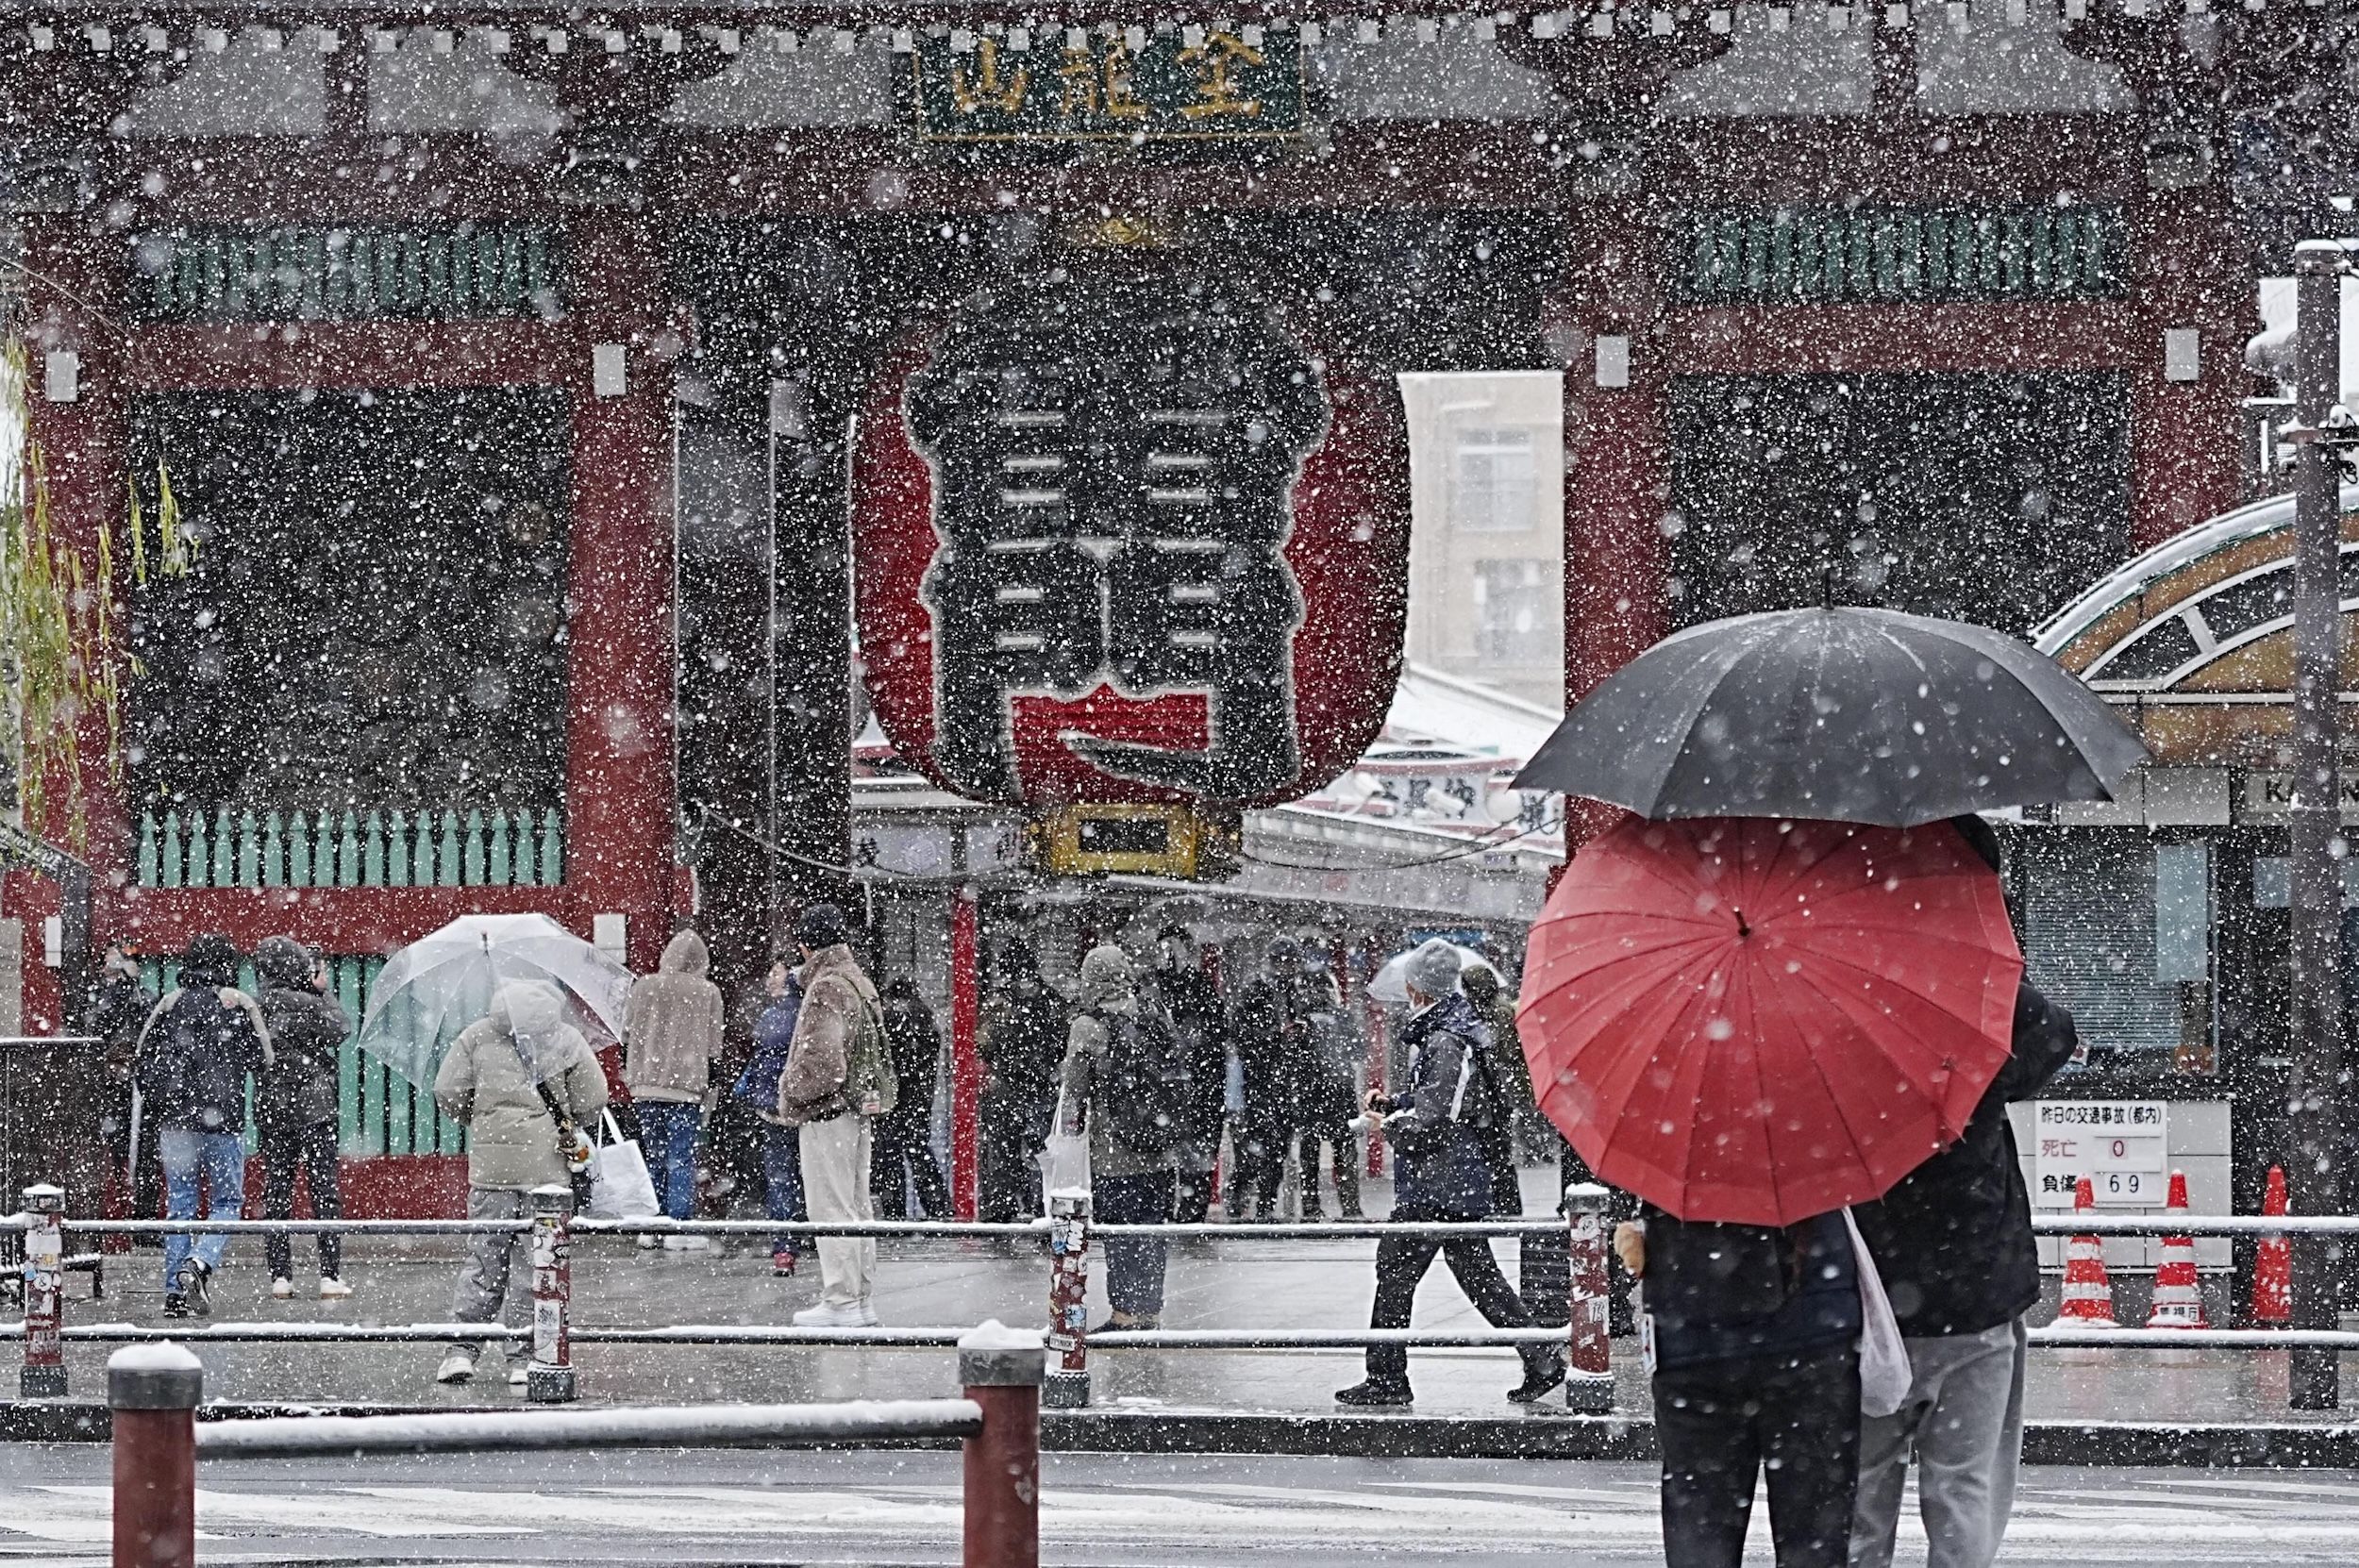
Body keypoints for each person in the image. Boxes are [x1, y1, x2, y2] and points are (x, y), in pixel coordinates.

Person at [1847, 820, 2080, 1568]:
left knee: (1856, 1506)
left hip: (1864, 1297)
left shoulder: (1835, 977)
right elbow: (2049, 1039)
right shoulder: (1974, 987)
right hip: (1975, 1285)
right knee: (1966, 1499)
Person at [1336, 939, 1564, 1408]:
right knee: (1480, 1279)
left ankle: (1386, 1378)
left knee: (1395, 1274)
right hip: (1453, 1180)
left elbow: (1437, 1117)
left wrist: (1390, 1124)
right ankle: (1542, 1358)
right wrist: (1397, 1102)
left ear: (1418, 986)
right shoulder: (1450, 1030)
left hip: (1438, 1183)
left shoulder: (1443, 1038)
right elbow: (1444, 1102)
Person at [1617, 1201, 1862, 1568]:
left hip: (1694, 1337)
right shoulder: (1822, 1157)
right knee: (1813, 1530)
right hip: (1810, 1337)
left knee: (1702, 1523)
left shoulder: (1677, 1160)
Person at [431, 979, 609, 1387]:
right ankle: (523, 1356)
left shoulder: (476, 1035)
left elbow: (447, 1091)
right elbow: (592, 1098)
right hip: (546, 1174)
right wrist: (563, 1121)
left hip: (491, 1170)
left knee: (482, 1260)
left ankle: (461, 1351)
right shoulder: (566, 1037)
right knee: (535, 1265)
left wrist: (481, 1118)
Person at [134, 933, 273, 1317]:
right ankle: (198, 1262)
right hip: (223, 1122)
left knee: (180, 1203)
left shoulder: (169, 1003)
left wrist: (165, 1104)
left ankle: (174, 1294)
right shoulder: (238, 1003)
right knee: (227, 1202)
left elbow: (141, 1062)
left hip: (175, 1124)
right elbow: (263, 1058)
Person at [1056, 942, 1183, 1329]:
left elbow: (1075, 1090)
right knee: (1151, 1231)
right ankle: (1150, 1311)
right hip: (1161, 1149)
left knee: (1120, 1234)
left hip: (1115, 1152)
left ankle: (1125, 1315)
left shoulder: (1088, 1025)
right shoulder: (1156, 1012)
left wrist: (1069, 1132)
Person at [778, 902, 887, 1328]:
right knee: (858, 1202)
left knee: (831, 1205)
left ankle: (840, 1300)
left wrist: (789, 1089)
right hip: (859, 1108)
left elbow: (823, 1062)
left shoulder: (824, 987)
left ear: (806, 946)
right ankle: (860, 1298)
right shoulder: (858, 980)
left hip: (828, 1111)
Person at [253, 936, 353, 1300]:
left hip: (271, 1109)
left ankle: (280, 1276)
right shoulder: (310, 1003)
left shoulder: (256, 1005)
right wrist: (322, 991)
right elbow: (341, 1029)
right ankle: (329, 1275)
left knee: (277, 1191)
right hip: (315, 1108)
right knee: (323, 1190)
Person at [623, 928, 725, 1249]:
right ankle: (678, 1227)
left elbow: (626, 1033)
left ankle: (652, 1223)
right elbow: (714, 1047)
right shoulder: (707, 993)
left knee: (653, 1155)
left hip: (646, 1086)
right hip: (686, 1087)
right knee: (681, 1157)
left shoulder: (643, 986)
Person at [977, 940, 1065, 1226]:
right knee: (1044, 1154)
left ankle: (1000, 1210)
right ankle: (1044, 1207)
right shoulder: (1052, 999)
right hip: (1043, 1089)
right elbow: (1063, 1042)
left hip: (1005, 1087)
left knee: (1001, 1151)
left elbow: (985, 1044)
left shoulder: (998, 1001)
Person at [1226, 937, 1313, 1222]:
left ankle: (1265, 1205)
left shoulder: (1295, 995)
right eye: (1283, 962)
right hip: (1260, 1082)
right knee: (1256, 1148)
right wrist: (1276, 1036)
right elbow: (1240, 1034)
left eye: (1292, 962)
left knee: (1279, 1148)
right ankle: (1239, 1197)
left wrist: (1300, 1037)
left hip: (1287, 1082)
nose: (1288, 968)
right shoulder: (1256, 992)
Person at [1145, 925, 1226, 1225]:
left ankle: (1191, 1213)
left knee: (1196, 1155)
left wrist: (1194, 1041)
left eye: (1173, 948)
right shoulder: (1152, 988)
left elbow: (1216, 1033)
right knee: (1164, 1153)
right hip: (1166, 1087)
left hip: (1199, 1087)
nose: (1168, 956)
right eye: (1163, 949)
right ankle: (1167, 1209)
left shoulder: (1199, 987)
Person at [735, 958, 808, 1277]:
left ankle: (783, 1246)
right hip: (806, 1107)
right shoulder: (809, 1013)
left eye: (775, 973)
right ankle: (811, 1235)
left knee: (781, 1179)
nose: (769, 979)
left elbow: (763, 1059)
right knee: (809, 1176)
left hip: (773, 1109)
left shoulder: (772, 1016)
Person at [1288, 942, 1364, 1222]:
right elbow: (1358, 1051)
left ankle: (1310, 1208)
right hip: (1340, 1091)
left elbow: (1292, 1058)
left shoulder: (1301, 1021)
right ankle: (1351, 1207)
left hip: (1310, 1093)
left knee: (1310, 1152)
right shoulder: (1342, 1017)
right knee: (1345, 1150)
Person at [87, 943, 159, 1224]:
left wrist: (133, 987)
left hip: (140, 1084)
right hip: (108, 1084)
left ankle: (144, 1215)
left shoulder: (145, 995)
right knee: (113, 1147)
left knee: (146, 1150)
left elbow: (149, 1027)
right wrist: (117, 991)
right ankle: (113, 1213)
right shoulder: (95, 995)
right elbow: (98, 1025)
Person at [1459, 961, 1536, 1218]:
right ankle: (1501, 1202)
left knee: (1498, 1150)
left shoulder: (1499, 1011)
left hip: (1498, 1089)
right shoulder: (1484, 1010)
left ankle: (1508, 1204)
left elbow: (1504, 1051)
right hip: (1491, 1089)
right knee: (1492, 1149)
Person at [872, 976, 952, 1220]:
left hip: (895, 1098)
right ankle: (938, 1207)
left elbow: (889, 1062)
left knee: (891, 1155)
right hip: (919, 1098)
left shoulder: (891, 1021)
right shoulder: (926, 1019)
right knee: (919, 1151)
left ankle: (894, 1211)